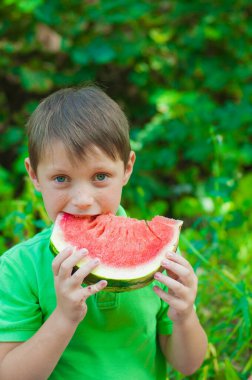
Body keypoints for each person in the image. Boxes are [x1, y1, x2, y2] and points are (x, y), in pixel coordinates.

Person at [0, 85, 207, 380]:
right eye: (61, 178)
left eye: (100, 177)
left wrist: (185, 316)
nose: (83, 199)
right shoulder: (19, 268)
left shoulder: (161, 259)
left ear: (127, 168)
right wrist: (63, 318)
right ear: (34, 175)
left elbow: (188, 365)